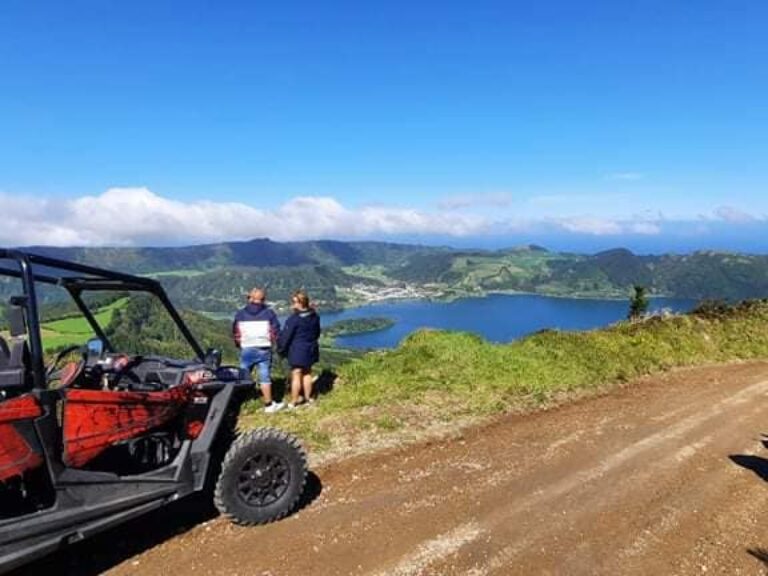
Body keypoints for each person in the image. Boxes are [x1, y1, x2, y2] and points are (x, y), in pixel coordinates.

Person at [233, 288, 282, 413]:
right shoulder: (269, 313)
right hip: (263, 348)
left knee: (243, 374)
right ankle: (268, 404)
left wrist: (239, 344)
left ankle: (238, 402)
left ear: (249, 298)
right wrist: (272, 342)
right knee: (264, 375)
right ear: (263, 300)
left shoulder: (240, 314)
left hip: (247, 348)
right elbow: (275, 330)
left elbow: (236, 332)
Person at [277, 290, 321, 409]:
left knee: (296, 374)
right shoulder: (315, 316)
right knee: (307, 373)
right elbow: (317, 333)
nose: (293, 305)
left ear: (301, 303)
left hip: (297, 350)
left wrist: (280, 349)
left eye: (295, 302)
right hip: (310, 348)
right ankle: (308, 398)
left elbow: (286, 337)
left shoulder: (294, 319)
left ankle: (294, 401)